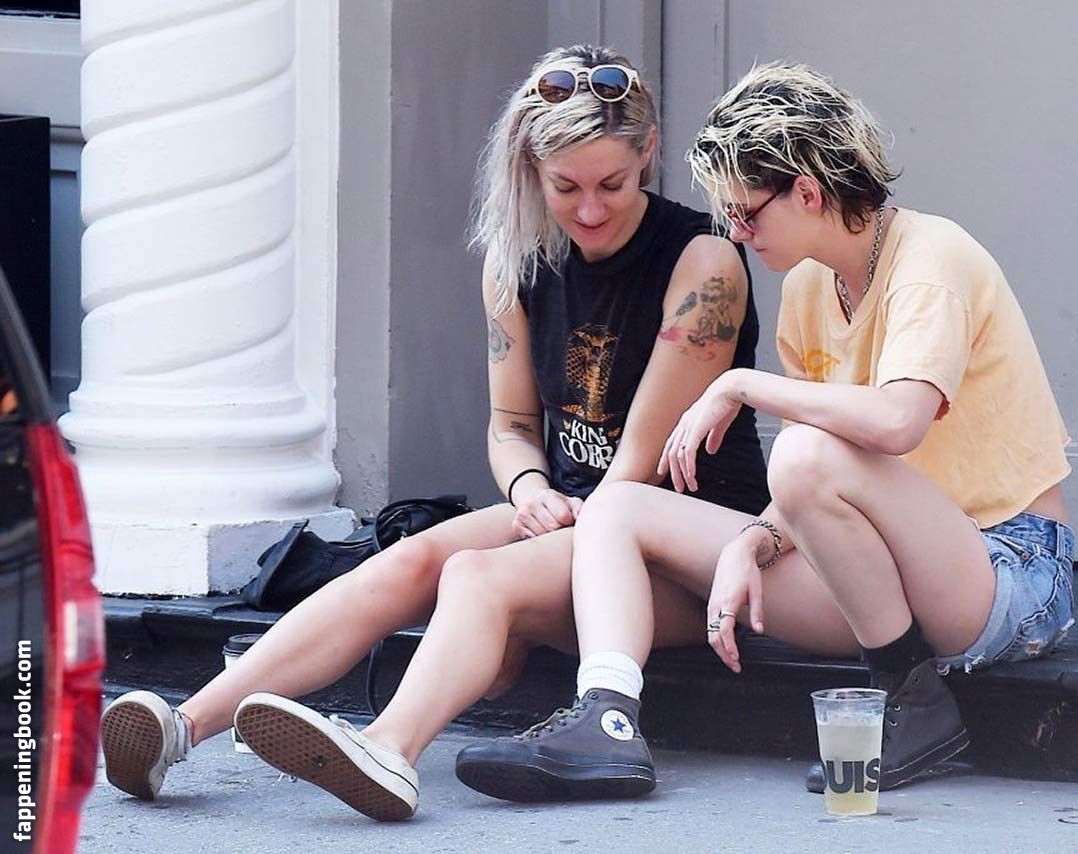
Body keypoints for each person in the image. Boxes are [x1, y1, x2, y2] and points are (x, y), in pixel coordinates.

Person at [98, 44, 771, 822]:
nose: (590, 209)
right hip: (572, 520)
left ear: (648, 151)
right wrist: (528, 487)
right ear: (531, 167)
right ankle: (182, 728)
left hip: (687, 553)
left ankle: (388, 749)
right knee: (412, 557)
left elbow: (637, 470)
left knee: (477, 576)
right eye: (566, 187)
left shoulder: (704, 263)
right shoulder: (516, 262)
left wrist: (546, 520)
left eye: (612, 185)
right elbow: (512, 426)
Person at [453, 61, 1076, 802]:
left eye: (746, 214)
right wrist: (752, 543)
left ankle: (911, 701)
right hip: (887, 575)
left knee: (805, 451)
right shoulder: (811, 286)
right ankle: (608, 717)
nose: (737, 234)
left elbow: (896, 422)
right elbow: (821, 494)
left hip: (1009, 571)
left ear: (807, 192)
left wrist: (738, 383)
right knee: (617, 507)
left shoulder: (931, 259)